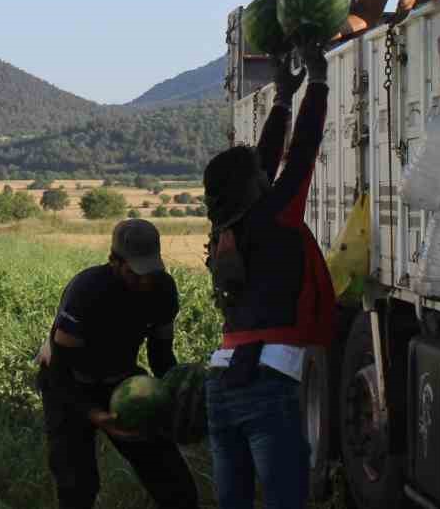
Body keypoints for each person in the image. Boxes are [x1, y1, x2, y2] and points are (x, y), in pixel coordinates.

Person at [201, 48, 335, 509]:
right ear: (255, 184)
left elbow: (266, 158)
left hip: (221, 383)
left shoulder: (225, 228)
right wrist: (318, 81)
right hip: (266, 382)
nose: (266, 172)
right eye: (261, 174)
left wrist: (282, 98)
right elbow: (301, 154)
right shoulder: (275, 217)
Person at [37, 218, 198, 509]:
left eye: (150, 272)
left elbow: (161, 354)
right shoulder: (87, 290)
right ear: (114, 262)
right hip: (70, 384)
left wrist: (173, 396)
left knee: (175, 483)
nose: (145, 280)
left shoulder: (162, 290)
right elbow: (59, 367)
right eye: (135, 274)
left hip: (123, 382)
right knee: (77, 486)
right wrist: (92, 413)